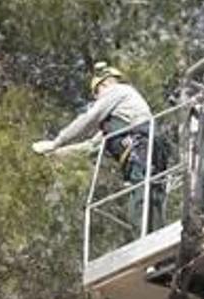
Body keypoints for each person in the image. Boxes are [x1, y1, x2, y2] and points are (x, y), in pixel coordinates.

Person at [33, 62, 168, 231]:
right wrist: (57, 153)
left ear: (104, 84)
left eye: (97, 95)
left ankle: (149, 242)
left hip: (140, 147)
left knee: (143, 200)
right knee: (150, 196)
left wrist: (56, 141)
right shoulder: (120, 116)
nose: (97, 100)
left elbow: (88, 119)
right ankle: (155, 238)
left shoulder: (117, 90)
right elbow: (91, 147)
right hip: (146, 148)